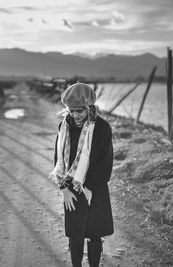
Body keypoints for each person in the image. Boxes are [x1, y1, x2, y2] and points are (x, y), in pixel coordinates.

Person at [49, 82, 114, 267]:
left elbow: (105, 164)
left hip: (95, 189)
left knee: (95, 233)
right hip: (72, 190)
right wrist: (63, 189)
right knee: (75, 234)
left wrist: (89, 188)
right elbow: (58, 160)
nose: (75, 115)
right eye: (71, 111)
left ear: (90, 107)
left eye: (80, 111)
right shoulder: (63, 127)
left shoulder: (102, 128)